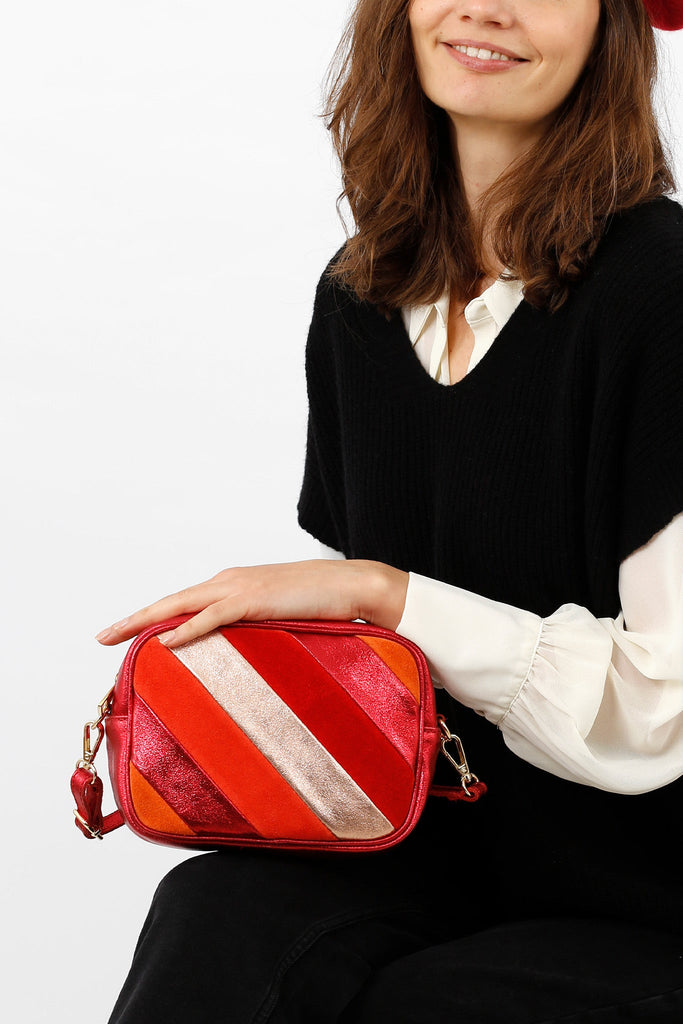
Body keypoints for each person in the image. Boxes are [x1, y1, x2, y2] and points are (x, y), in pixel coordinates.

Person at [97, 0, 683, 1020]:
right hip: (422, 842)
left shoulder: (660, 293)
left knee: (427, 1002)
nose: (487, 6)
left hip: (650, 893)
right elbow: (384, 685)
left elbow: (663, 707)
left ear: (614, 25)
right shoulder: (359, 296)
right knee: (215, 917)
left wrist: (383, 593)